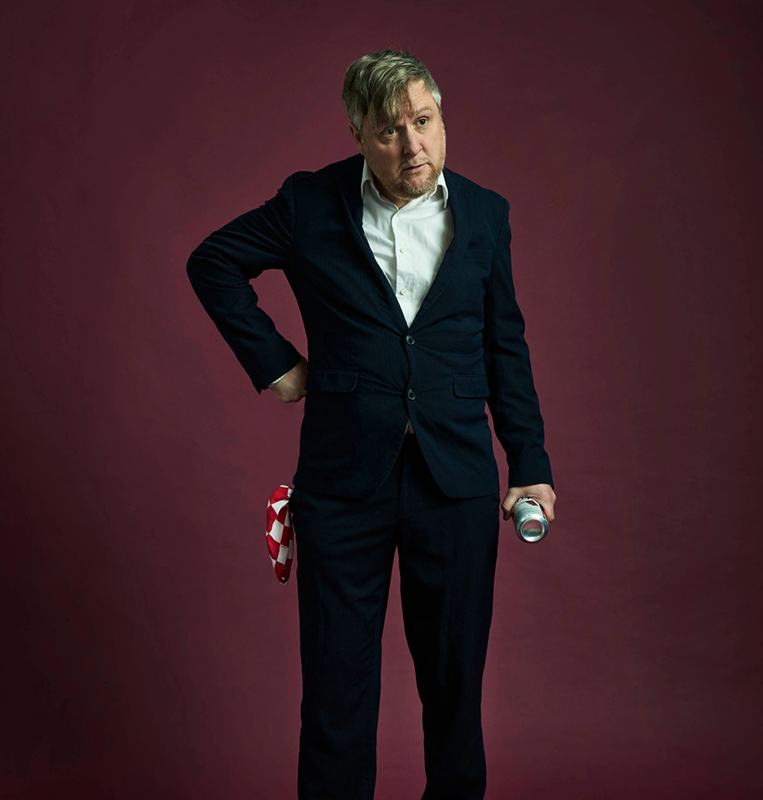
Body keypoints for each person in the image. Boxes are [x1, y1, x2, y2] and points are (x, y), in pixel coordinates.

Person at [187, 48, 556, 800]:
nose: (412, 145)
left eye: (424, 122)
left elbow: (505, 347)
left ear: (442, 120)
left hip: (453, 484)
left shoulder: (486, 214)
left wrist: (532, 463)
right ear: (358, 133)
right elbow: (213, 261)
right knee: (335, 693)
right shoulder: (308, 203)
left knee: (454, 692)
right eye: (390, 130)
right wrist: (278, 365)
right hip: (343, 482)